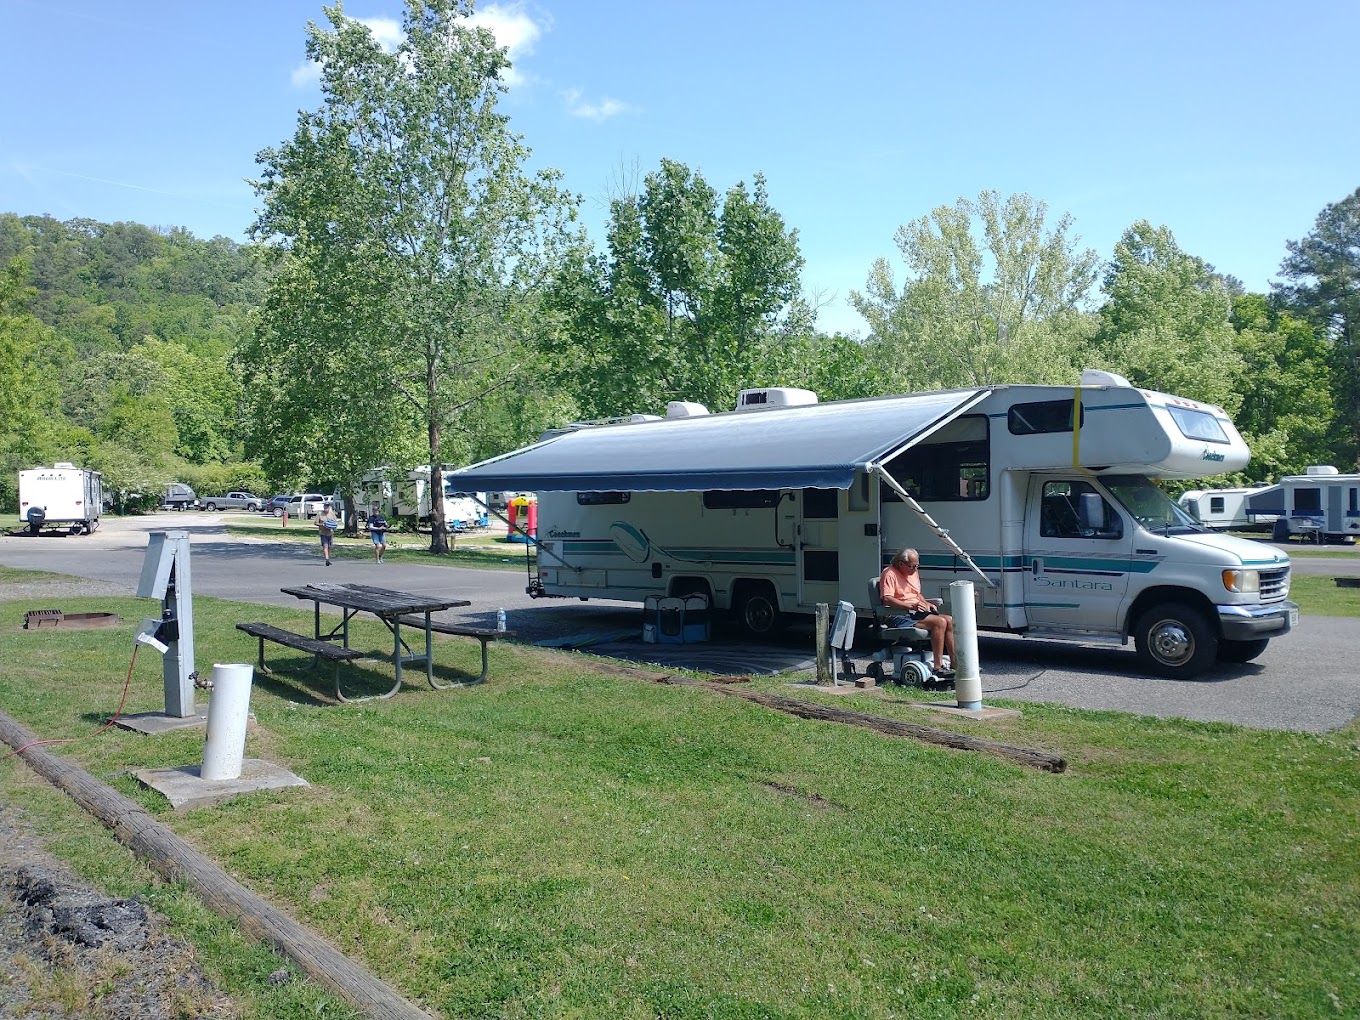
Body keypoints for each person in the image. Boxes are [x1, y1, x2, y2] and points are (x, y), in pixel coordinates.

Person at [878, 547, 956, 678]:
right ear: (901, 564)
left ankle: (955, 664)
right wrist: (910, 605)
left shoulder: (913, 573)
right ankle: (938, 667)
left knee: (949, 620)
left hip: (914, 611)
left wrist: (926, 603)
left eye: (917, 566)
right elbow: (887, 599)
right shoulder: (889, 573)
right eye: (912, 566)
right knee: (940, 622)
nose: (915, 569)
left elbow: (916, 594)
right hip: (898, 614)